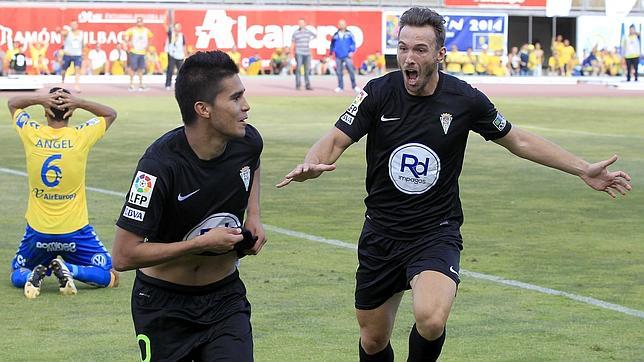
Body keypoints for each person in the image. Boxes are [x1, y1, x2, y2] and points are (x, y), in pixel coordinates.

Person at [276, 7, 631, 361]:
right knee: (373, 340)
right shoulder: (378, 93)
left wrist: (583, 168)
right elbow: (335, 140)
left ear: (440, 54)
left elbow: (518, 140)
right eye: (402, 48)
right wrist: (313, 162)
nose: (408, 58)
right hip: (381, 233)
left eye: (419, 49)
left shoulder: (465, 99)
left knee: (430, 319)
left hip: (435, 231)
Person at [111, 50, 266, 361]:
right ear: (203, 109)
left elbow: (252, 163)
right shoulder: (157, 166)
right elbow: (123, 256)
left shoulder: (248, 141)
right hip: (162, 307)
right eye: (235, 99)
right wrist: (199, 245)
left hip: (225, 300)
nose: (246, 107)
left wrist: (254, 215)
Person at [8, 88, 119, 299]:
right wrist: (80, 101)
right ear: (71, 112)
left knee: (16, 273)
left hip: (39, 232)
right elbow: (110, 113)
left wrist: (40, 99)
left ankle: (33, 274)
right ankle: (71, 269)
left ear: (45, 112)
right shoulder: (80, 135)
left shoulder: (32, 133)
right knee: (110, 275)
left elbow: (13, 103)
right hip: (75, 231)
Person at [330, 19, 360, 93]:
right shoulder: (335, 35)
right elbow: (332, 45)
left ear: (345, 25)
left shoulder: (349, 34)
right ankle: (340, 87)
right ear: (338, 25)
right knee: (339, 71)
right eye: (340, 24)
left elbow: (353, 44)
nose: (341, 25)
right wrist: (331, 53)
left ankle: (354, 86)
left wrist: (351, 51)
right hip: (338, 56)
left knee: (351, 70)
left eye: (343, 24)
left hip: (347, 55)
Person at [125, 17, 153, 91]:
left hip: (142, 52)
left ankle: (141, 84)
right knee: (133, 68)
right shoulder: (132, 30)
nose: (139, 23)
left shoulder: (146, 31)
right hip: (134, 51)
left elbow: (150, 38)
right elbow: (125, 36)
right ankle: (131, 84)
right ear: (136, 22)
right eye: (138, 21)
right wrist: (128, 42)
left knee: (141, 69)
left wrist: (148, 46)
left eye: (140, 21)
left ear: (143, 22)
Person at [59, 21, 84, 91]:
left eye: (74, 24)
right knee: (64, 70)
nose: (73, 26)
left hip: (77, 55)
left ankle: (77, 85)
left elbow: (82, 44)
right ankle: (62, 82)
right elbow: (62, 33)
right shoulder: (68, 32)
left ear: (77, 25)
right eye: (72, 25)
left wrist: (83, 53)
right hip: (68, 54)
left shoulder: (81, 33)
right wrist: (60, 31)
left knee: (77, 69)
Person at [291, 18, 316, 90]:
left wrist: (309, 40)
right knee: (298, 69)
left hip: (307, 53)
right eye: (299, 23)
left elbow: (315, 35)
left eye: (302, 23)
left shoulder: (308, 32)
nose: (301, 24)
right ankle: (298, 85)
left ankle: (307, 85)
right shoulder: (296, 32)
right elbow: (292, 43)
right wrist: (291, 52)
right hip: (299, 52)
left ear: (305, 23)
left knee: (307, 69)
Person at [165, 22, 186, 90]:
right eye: (176, 27)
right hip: (172, 54)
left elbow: (184, 45)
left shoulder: (181, 35)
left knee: (181, 70)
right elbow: (165, 26)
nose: (178, 28)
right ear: (174, 28)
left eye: (179, 27)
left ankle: (179, 84)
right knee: (170, 69)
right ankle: (168, 84)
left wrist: (185, 55)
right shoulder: (171, 34)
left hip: (180, 55)